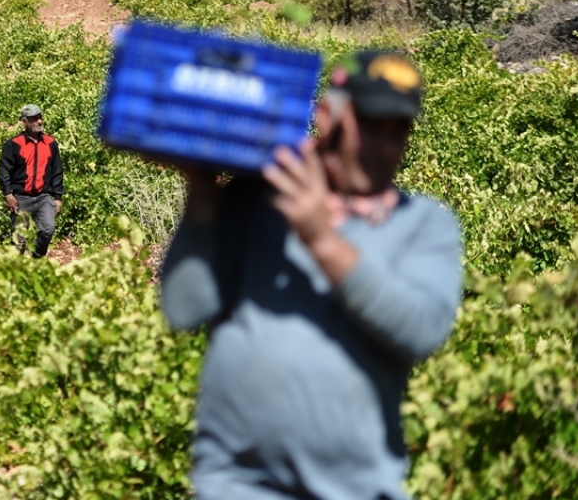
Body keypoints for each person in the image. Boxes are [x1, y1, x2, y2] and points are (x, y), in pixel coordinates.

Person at [160, 50, 464, 500]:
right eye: (372, 126)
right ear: (328, 115)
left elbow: (420, 330)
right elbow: (184, 309)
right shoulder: (257, 199)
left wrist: (321, 236)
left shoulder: (424, 224)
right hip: (234, 485)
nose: (384, 147)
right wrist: (203, 191)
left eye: (398, 132)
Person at [0, 104, 64, 258]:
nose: (39, 122)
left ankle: (36, 259)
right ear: (25, 122)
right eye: (34, 119)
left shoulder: (50, 143)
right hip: (21, 198)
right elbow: (4, 170)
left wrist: (58, 197)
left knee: (48, 228)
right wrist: (8, 194)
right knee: (19, 240)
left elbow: (57, 171)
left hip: (43, 197)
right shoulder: (14, 144)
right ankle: (16, 271)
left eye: (40, 117)